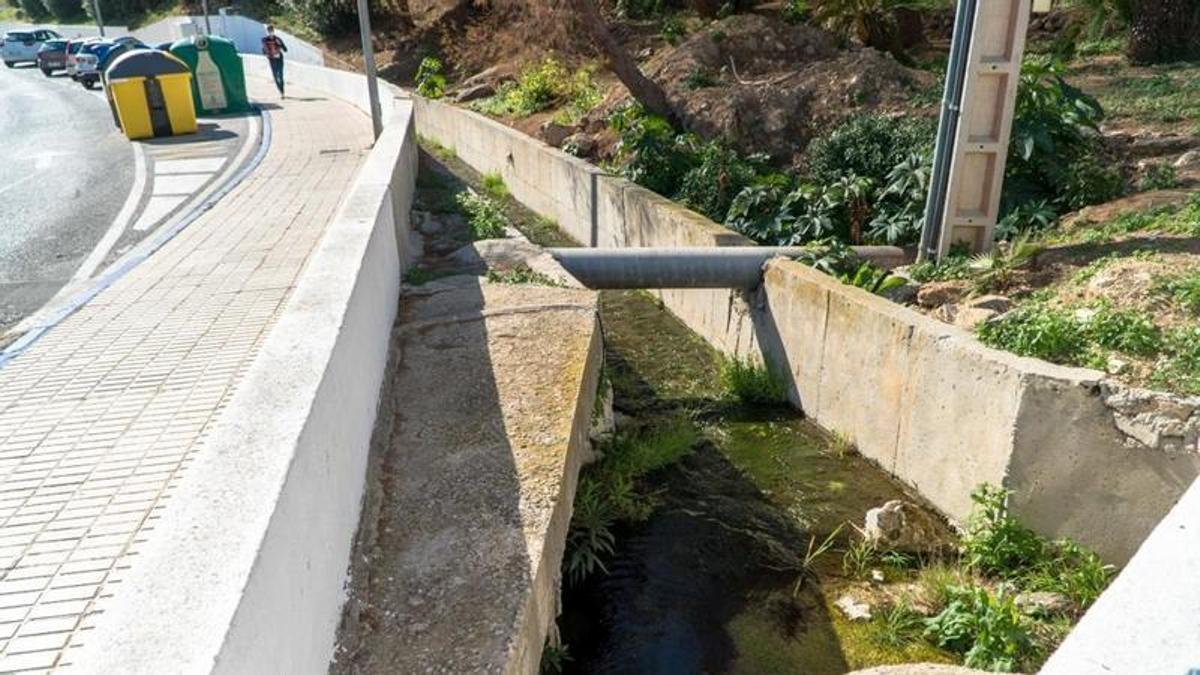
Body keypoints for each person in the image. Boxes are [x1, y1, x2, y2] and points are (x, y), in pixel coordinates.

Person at [261, 25, 288, 97]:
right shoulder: (265, 40)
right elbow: (263, 50)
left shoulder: (278, 39)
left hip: (279, 59)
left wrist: (280, 44)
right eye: (269, 31)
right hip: (272, 60)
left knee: (281, 75)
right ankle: (280, 91)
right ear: (267, 32)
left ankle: (282, 92)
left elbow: (285, 50)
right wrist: (266, 54)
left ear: (274, 31)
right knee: (275, 76)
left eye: (272, 31)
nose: (271, 32)